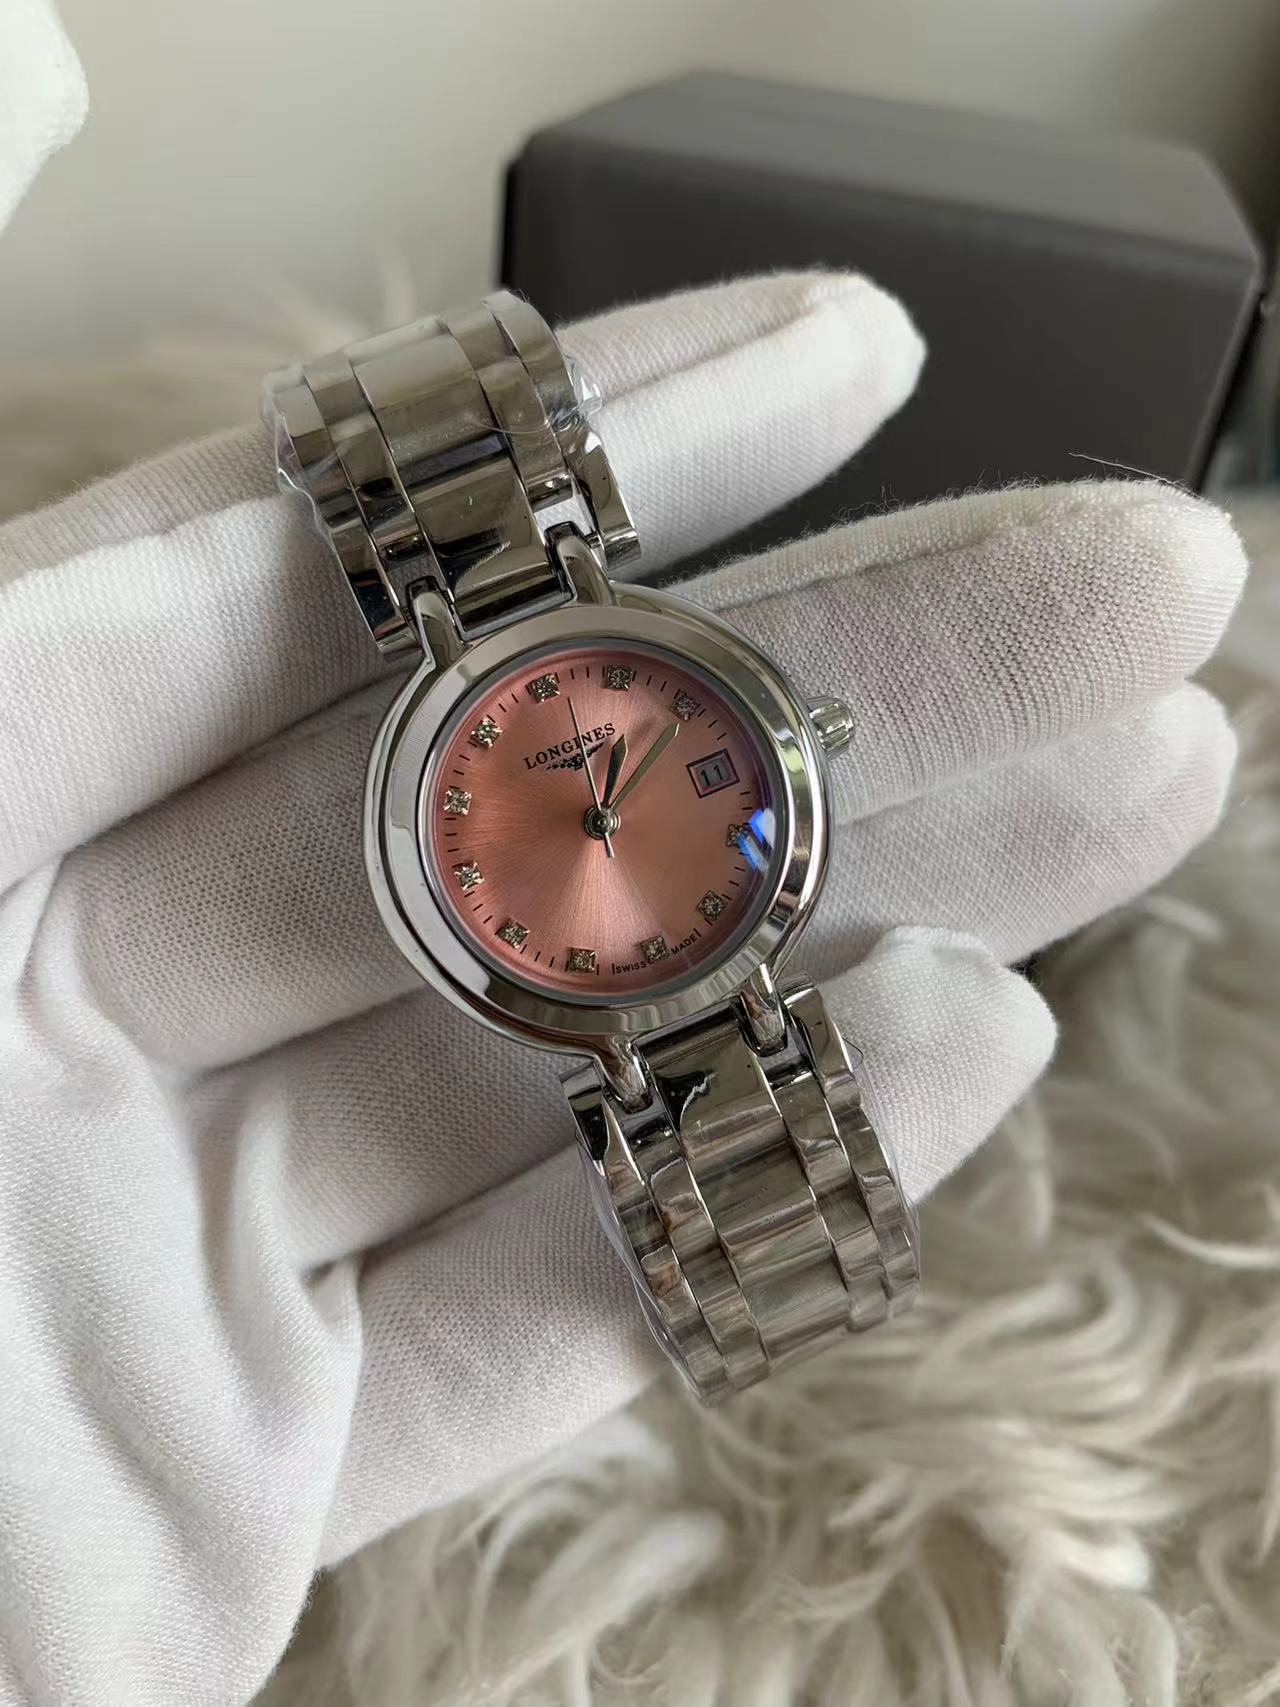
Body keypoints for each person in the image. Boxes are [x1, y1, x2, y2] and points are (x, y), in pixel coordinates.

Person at [0, 6, 1245, 1702]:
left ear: (794, 741)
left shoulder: (715, 791)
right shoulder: (526, 836)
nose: (598, 812)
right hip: (566, 926)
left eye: (632, 783)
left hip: (649, 937)